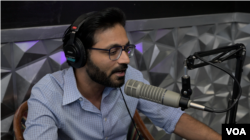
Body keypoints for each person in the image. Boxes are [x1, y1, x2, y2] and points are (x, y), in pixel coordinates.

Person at [23, 7, 222, 140]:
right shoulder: (48, 93)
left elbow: (172, 118)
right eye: (113, 51)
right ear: (78, 55)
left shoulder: (130, 78)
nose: (126, 59)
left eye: (126, 49)